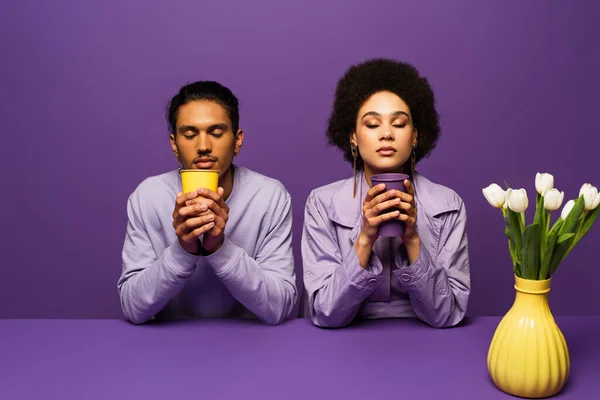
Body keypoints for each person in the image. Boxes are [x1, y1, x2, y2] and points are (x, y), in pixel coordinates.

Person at [302, 59, 470, 328]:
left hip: (427, 343)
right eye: (372, 124)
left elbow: (447, 315)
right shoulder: (322, 204)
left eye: (399, 124)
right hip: (345, 346)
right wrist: (365, 238)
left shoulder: (448, 205)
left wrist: (413, 238)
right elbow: (325, 313)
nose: (386, 134)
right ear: (353, 136)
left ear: (415, 136)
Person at [118, 81, 297, 325]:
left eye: (216, 132)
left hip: (250, 347)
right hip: (168, 347)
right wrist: (183, 250)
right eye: (190, 134)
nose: (203, 146)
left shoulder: (270, 197)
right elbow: (133, 307)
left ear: (237, 140)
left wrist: (219, 248)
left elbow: (280, 308)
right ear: (174, 144)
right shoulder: (147, 196)